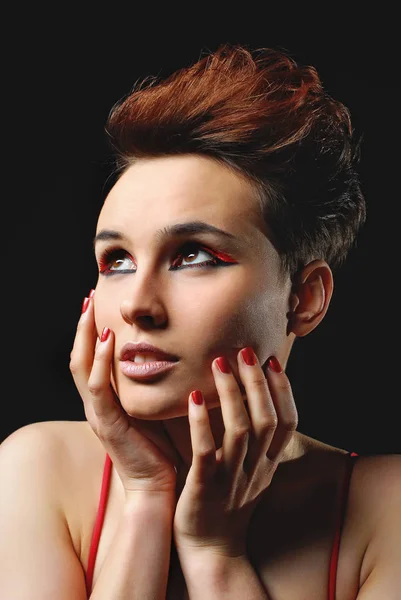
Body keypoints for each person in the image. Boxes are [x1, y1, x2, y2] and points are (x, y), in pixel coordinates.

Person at [0, 42, 399, 600]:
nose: (138, 303)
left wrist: (215, 553)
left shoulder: (387, 510)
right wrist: (145, 498)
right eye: (117, 260)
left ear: (304, 298)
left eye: (194, 255)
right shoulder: (35, 471)